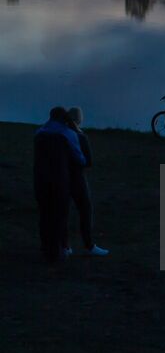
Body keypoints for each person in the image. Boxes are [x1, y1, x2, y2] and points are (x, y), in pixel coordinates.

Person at [34, 107, 86, 262]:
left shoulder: (39, 134)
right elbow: (81, 159)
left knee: (45, 214)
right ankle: (61, 248)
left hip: (40, 179)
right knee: (60, 214)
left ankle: (46, 247)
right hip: (60, 180)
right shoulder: (68, 134)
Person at [63, 107, 109, 256]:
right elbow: (88, 161)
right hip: (77, 178)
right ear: (79, 119)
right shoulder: (80, 137)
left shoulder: (60, 135)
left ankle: (64, 246)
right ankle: (89, 245)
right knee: (85, 210)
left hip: (61, 178)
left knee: (62, 211)